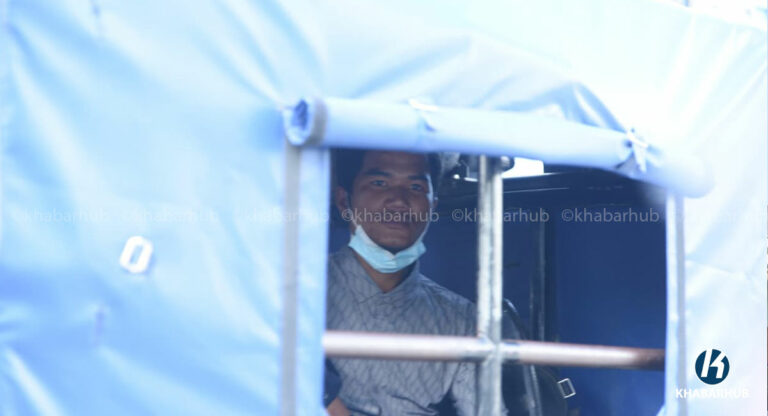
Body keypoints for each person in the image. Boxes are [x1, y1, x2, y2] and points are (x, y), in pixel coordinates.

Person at [323, 149, 501, 416]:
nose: (399, 200)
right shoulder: (300, 290)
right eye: (379, 183)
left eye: (416, 187)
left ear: (432, 206)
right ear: (343, 201)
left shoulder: (460, 318)